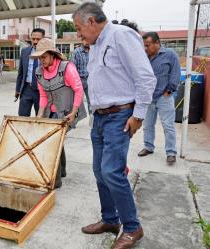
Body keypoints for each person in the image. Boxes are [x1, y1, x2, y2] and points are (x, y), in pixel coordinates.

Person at [73, 3, 156, 249]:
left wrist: (138, 115)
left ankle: (133, 227)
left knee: (112, 171)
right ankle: (110, 220)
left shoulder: (121, 35)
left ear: (91, 21)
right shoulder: (96, 45)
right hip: (100, 118)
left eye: (79, 28)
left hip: (119, 116)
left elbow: (145, 77)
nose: (79, 34)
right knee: (99, 171)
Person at [32, 38, 87, 188]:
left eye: (43, 57)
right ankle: (61, 170)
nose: (41, 61)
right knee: (55, 140)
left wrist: (74, 112)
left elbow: (78, 89)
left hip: (68, 111)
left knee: (53, 142)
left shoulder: (67, 67)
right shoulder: (39, 72)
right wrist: (39, 115)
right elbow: (43, 96)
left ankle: (54, 181)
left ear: (52, 55)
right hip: (50, 110)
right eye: (39, 57)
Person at [138, 32, 181, 164]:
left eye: (148, 45)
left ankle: (171, 152)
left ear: (157, 43)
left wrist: (169, 91)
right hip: (148, 97)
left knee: (168, 125)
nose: (146, 48)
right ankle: (148, 147)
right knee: (147, 125)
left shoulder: (170, 55)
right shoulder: (143, 56)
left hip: (164, 97)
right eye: (144, 45)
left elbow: (175, 73)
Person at [15, 28, 45, 117]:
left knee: (40, 118)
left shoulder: (49, 53)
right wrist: (17, 89)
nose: (35, 41)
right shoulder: (25, 51)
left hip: (42, 91)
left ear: (43, 39)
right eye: (33, 39)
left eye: (38, 39)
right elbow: (20, 72)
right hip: (26, 89)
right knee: (22, 116)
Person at [71, 37, 91, 113]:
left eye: (88, 40)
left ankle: (92, 121)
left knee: (91, 101)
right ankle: (74, 122)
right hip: (79, 80)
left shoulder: (92, 51)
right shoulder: (76, 52)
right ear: (82, 41)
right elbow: (72, 68)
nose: (86, 42)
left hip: (90, 79)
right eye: (85, 40)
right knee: (77, 102)